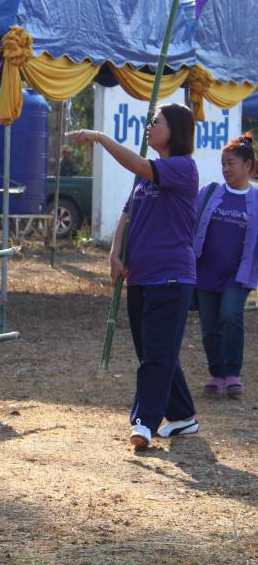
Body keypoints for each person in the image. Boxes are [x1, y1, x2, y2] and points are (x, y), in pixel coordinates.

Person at [68, 103, 199, 451]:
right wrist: (114, 253)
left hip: (171, 276)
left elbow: (139, 165)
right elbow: (127, 213)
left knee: (156, 354)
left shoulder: (182, 167)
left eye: (156, 122)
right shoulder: (147, 174)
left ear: (175, 131)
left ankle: (144, 422)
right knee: (154, 351)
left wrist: (99, 137)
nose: (149, 127)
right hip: (140, 275)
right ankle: (183, 414)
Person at [193, 133, 257, 399]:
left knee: (230, 315)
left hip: (237, 275)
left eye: (231, 163)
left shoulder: (256, 199)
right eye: (223, 164)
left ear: (248, 165)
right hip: (205, 272)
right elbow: (190, 222)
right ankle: (217, 374)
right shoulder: (209, 193)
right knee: (209, 326)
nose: (226, 169)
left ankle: (232, 373)